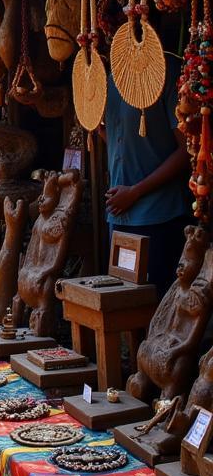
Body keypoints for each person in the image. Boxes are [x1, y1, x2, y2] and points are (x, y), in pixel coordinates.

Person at [103, 52, 191, 294]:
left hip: (158, 214)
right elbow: (114, 138)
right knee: (122, 302)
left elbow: (187, 151)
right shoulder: (112, 78)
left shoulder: (168, 70)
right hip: (118, 215)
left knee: (156, 304)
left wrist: (136, 191)